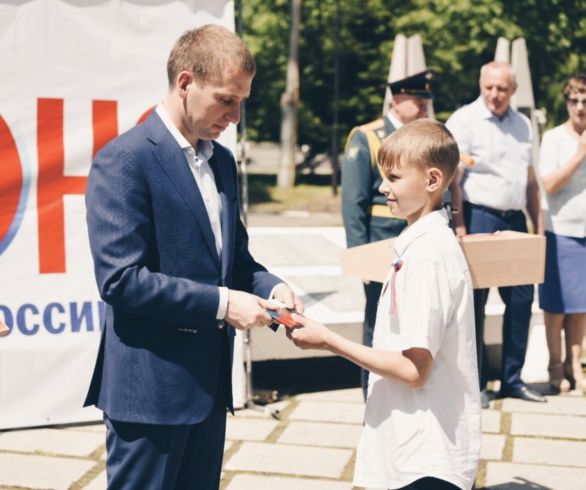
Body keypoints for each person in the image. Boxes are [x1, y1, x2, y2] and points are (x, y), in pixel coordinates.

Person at [84, 25, 302, 490]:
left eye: (241, 101)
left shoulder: (222, 161)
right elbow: (121, 279)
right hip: (150, 392)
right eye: (227, 100)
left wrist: (270, 287)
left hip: (207, 387)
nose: (236, 116)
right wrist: (224, 304)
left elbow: (236, 261)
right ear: (185, 83)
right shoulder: (124, 159)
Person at [289, 119, 481, 490]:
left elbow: (414, 370)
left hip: (426, 457)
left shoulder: (428, 256)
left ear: (432, 181)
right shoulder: (419, 242)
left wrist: (328, 340)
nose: (381, 187)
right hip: (412, 446)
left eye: (393, 178)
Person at [446, 61, 546, 408]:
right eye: (489, 87)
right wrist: (459, 226)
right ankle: (475, 385)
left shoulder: (523, 125)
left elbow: (530, 180)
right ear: (481, 84)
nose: (495, 94)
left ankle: (512, 380)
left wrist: (539, 228)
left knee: (520, 301)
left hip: (515, 219)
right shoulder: (464, 120)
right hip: (478, 217)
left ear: (513, 91)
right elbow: (453, 179)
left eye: (502, 89)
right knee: (474, 305)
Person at [341, 69, 435, 397]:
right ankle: (373, 394)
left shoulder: (426, 138)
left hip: (420, 244)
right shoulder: (368, 136)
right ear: (396, 99)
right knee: (378, 324)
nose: (424, 104)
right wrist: (358, 254)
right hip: (381, 245)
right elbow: (353, 201)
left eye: (426, 99)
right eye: (417, 98)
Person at [538, 74, 586, 394]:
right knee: (556, 307)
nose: (580, 107)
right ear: (566, 102)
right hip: (560, 230)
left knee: (581, 306)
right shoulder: (554, 139)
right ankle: (555, 366)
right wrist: (581, 153)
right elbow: (550, 183)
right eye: (574, 100)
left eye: (585, 100)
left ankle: (576, 365)